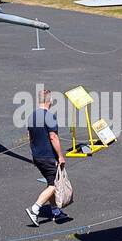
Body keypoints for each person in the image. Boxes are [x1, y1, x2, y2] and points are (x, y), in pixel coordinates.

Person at [26, 89, 70, 226]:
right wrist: (61, 156)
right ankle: (35, 209)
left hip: (37, 156)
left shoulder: (31, 116)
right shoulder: (49, 116)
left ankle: (55, 211)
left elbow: (30, 137)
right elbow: (53, 137)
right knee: (55, 185)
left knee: (51, 181)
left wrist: (34, 155)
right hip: (48, 156)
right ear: (49, 101)